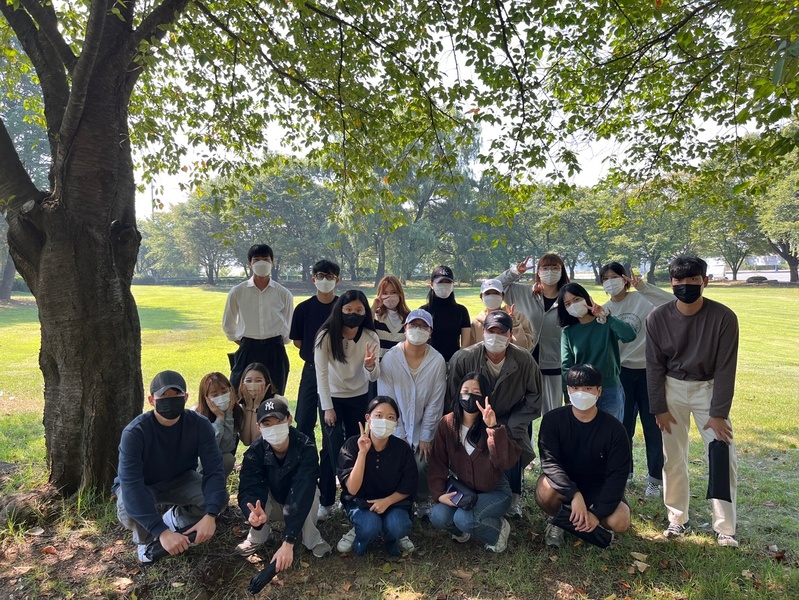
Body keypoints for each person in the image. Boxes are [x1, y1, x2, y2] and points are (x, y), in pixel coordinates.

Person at [646, 256, 740, 547]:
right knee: (673, 457)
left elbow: (726, 368)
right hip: (672, 388)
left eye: (692, 280)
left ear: (705, 281)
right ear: (671, 282)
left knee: (721, 454)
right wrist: (659, 408)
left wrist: (719, 413)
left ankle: (725, 528)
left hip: (708, 389)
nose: (685, 285)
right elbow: (654, 366)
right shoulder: (657, 318)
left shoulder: (724, 317)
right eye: (679, 280)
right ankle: (677, 518)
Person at [114, 370, 228, 563]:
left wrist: (210, 515)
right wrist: (161, 532)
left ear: (186, 397)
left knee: (219, 498)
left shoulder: (199, 425)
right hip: (144, 484)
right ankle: (147, 541)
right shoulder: (134, 433)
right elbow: (132, 484)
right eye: (163, 396)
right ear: (151, 400)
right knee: (128, 510)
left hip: (181, 478)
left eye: (176, 395)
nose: (170, 400)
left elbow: (214, 470)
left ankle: (175, 519)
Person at [448, 310, 542, 518]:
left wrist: (511, 424)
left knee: (512, 443)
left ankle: (513, 496)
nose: (496, 337)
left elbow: (535, 397)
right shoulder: (464, 358)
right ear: (483, 332)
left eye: (502, 332)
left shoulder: (524, 360)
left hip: (509, 417)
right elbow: (452, 395)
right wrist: (467, 420)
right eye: (492, 331)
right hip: (471, 416)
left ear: (510, 335)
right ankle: (468, 489)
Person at [536, 364, 631, 548]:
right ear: (568, 390)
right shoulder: (552, 420)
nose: (581, 393)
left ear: (599, 391)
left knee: (620, 520)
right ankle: (560, 520)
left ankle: (590, 519)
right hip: (564, 484)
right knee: (545, 490)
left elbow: (618, 475)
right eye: (576, 388)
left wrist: (597, 513)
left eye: (588, 388)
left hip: (599, 487)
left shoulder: (615, 429)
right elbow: (550, 463)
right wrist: (574, 494)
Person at [601, 262, 674, 497]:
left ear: (624, 278)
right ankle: (626, 471)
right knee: (623, 427)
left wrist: (643, 287)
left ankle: (654, 479)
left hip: (649, 371)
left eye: (614, 276)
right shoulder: (604, 310)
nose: (610, 282)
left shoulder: (643, 300)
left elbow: (672, 302)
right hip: (620, 373)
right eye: (605, 278)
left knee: (653, 427)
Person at [428, 373, 521, 553]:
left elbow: (505, 461)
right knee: (438, 516)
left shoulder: (495, 424)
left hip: (495, 491)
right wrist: (439, 494)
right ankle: (463, 532)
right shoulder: (447, 424)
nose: (469, 396)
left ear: (485, 397)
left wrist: (493, 428)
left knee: (464, 519)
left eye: (476, 392)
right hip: (464, 489)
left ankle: (498, 530)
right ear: (458, 394)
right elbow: (437, 462)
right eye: (465, 391)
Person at [235, 396, 332, 568]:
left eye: (279, 421)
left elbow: (302, 488)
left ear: (289, 420)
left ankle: (312, 538)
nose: (273, 428)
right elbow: (250, 485)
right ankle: (257, 536)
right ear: (258, 427)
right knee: (257, 501)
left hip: (297, 502)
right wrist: (252, 514)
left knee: (311, 491)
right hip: (272, 503)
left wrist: (288, 541)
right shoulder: (254, 452)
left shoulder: (306, 447)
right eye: (267, 424)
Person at [314, 290, 380, 524]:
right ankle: (326, 501)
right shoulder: (325, 336)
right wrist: (327, 407)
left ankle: (350, 498)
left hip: (358, 397)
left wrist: (370, 365)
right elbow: (321, 373)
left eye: (359, 310)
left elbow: (373, 377)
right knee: (330, 447)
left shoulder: (371, 336)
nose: (354, 314)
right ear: (340, 310)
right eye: (348, 310)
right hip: (331, 397)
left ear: (365, 312)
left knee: (356, 447)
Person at [377, 309, 446, 519]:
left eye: (423, 326)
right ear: (405, 328)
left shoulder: (437, 361)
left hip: (422, 427)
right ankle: (399, 500)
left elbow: (435, 403)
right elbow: (387, 401)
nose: (418, 330)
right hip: (393, 427)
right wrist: (399, 434)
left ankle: (422, 499)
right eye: (413, 325)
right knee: (394, 462)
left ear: (430, 332)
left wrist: (425, 436)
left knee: (422, 462)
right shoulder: (390, 359)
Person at [289, 259, 341, 522]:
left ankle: (328, 498)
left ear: (337, 280)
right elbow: (298, 341)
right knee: (303, 426)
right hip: (311, 372)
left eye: (330, 276)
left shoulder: (342, 307)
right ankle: (305, 487)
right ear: (313, 279)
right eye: (320, 275)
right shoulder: (304, 308)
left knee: (331, 432)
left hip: (337, 373)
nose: (325, 280)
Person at [336, 396, 418, 556]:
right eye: (379, 415)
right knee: (369, 526)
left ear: (396, 422)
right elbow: (352, 489)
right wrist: (362, 453)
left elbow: (409, 485)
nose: (384, 421)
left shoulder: (402, 449)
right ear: (368, 418)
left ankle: (394, 535)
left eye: (391, 417)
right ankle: (359, 530)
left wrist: (387, 501)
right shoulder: (352, 445)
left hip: (394, 503)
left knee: (398, 526)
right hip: (361, 503)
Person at [495, 254, 570, 415]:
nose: (550, 272)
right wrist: (515, 272)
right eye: (545, 268)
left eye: (555, 268)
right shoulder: (523, 292)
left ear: (561, 271)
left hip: (553, 364)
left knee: (552, 414)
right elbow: (494, 286)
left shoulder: (568, 298)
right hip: (522, 363)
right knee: (520, 415)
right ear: (538, 271)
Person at [559, 282, 636, 422]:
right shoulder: (568, 332)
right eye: (568, 304)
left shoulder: (605, 323)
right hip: (582, 392)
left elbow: (629, 335)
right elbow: (566, 367)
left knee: (611, 430)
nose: (573, 305)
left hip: (609, 388)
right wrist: (568, 396)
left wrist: (607, 317)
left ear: (586, 298)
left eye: (576, 299)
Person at [223, 243, 293, 394]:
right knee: (239, 392)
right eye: (257, 259)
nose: (261, 263)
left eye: (265, 259)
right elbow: (228, 324)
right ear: (250, 263)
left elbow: (289, 324)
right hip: (248, 347)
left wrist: (280, 342)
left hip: (275, 348)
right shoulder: (238, 292)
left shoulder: (283, 293)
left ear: (272, 262)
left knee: (274, 394)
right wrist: (244, 343)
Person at [195, 372, 243, 479]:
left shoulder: (236, 412)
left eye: (224, 392)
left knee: (228, 459)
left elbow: (227, 447)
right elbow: (208, 449)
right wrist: (219, 420)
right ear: (206, 398)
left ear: (231, 390)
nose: (221, 397)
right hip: (198, 465)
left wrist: (228, 415)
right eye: (215, 395)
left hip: (218, 461)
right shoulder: (197, 415)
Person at [419, 265, 471, 363]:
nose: (444, 285)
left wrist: (456, 361)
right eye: (440, 282)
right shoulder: (424, 311)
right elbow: (419, 341)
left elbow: (465, 344)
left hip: (455, 361)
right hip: (429, 362)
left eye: (448, 282)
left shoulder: (461, 311)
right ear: (431, 284)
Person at [471, 279, 534, 351]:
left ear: (503, 296)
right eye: (488, 294)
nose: (492, 297)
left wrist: (514, 323)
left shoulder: (518, 317)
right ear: (481, 297)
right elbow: (473, 350)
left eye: (496, 293)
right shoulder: (476, 323)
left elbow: (525, 347)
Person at [237, 363, 276, 446]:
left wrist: (256, 406)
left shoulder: (277, 402)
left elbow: (256, 440)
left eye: (258, 381)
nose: (253, 384)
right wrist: (249, 408)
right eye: (248, 381)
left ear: (266, 383)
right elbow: (246, 441)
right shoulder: (240, 406)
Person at [372, 275, 411, 359]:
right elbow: (366, 331)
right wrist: (374, 307)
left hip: (400, 365)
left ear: (400, 294)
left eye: (393, 292)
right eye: (385, 293)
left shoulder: (409, 318)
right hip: (379, 365)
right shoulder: (375, 316)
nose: (389, 296)